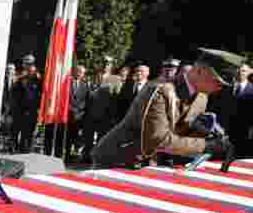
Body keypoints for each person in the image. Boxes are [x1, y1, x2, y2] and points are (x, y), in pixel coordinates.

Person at [91, 48, 241, 169]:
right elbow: (158, 140)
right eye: (217, 82)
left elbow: (181, 132)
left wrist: (209, 135)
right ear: (200, 71)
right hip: (116, 160)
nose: (219, 88)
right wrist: (207, 146)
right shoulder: (160, 90)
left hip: (149, 164)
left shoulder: (202, 97)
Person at [10, 54, 42, 152]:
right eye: (25, 64)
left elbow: (42, 94)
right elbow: (13, 93)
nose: (27, 66)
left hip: (32, 110)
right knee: (15, 132)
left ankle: (26, 150)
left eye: (29, 64)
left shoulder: (38, 79)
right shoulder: (19, 78)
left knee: (28, 134)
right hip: (19, 110)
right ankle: (13, 149)